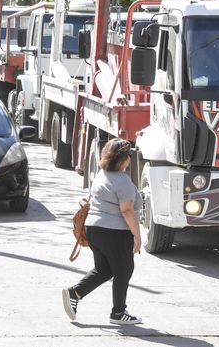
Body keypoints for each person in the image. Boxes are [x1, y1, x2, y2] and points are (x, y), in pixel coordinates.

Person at [62, 138, 143, 325]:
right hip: (114, 232)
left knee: (104, 270)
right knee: (124, 269)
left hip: (94, 230)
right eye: (128, 155)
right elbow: (127, 210)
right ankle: (118, 313)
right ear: (122, 159)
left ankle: (75, 293)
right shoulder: (122, 180)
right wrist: (137, 235)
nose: (130, 158)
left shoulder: (101, 174)